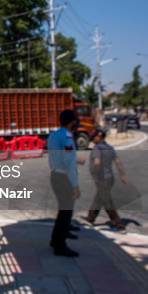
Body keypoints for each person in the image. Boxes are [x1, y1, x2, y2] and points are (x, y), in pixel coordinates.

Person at [47, 109, 84, 257]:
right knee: (66, 212)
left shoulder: (54, 135)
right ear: (72, 122)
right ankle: (60, 246)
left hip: (55, 175)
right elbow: (68, 163)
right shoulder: (67, 137)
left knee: (63, 210)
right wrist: (75, 186)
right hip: (64, 178)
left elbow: (61, 156)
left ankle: (55, 240)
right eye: (75, 120)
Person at [85, 129, 128, 231]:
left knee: (107, 201)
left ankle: (118, 223)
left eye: (94, 136)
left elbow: (97, 162)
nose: (93, 138)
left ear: (99, 137)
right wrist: (122, 175)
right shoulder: (110, 148)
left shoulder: (97, 149)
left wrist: (95, 175)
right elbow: (118, 162)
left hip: (102, 178)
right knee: (99, 199)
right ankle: (90, 218)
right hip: (110, 178)